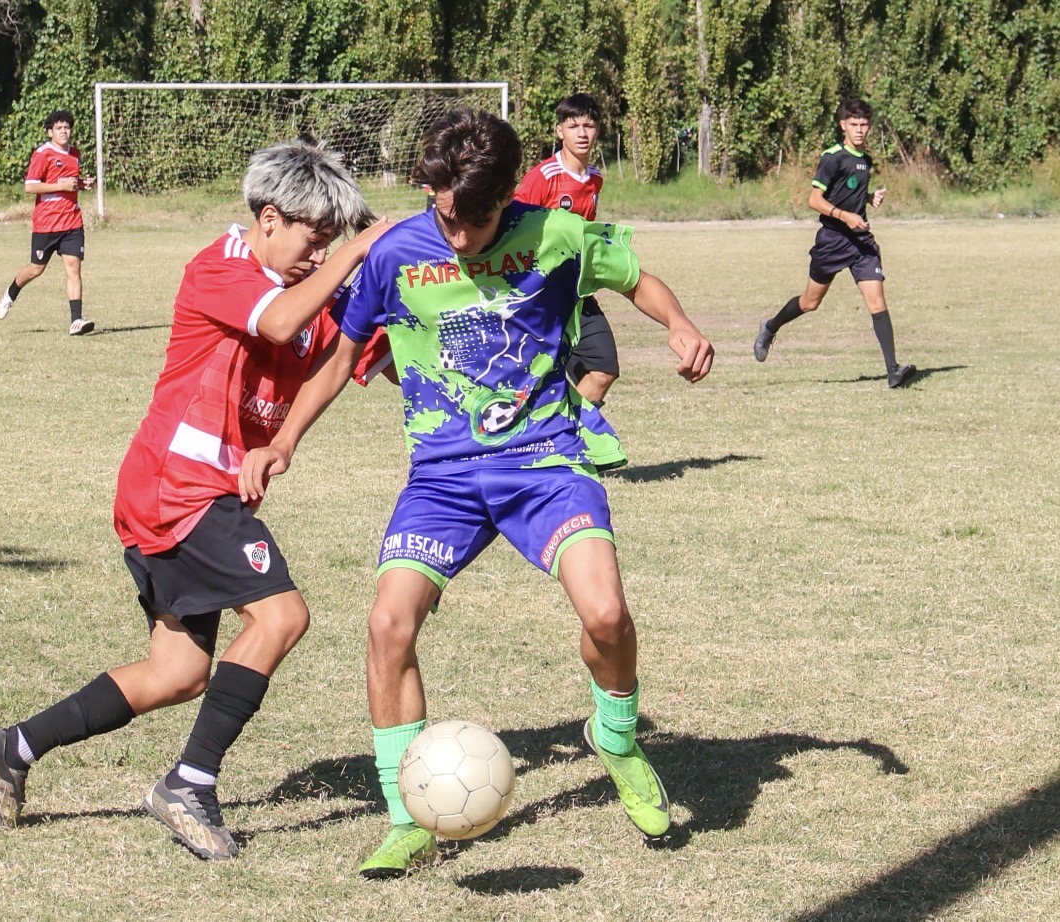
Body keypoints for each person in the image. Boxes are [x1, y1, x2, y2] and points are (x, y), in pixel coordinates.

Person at [240, 109, 715, 878]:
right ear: (430, 190)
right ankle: (405, 817)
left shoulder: (554, 232)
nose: (460, 237)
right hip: (444, 478)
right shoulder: (395, 253)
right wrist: (284, 442)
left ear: (507, 198)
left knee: (607, 613)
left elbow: (637, 278)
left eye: (479, 220)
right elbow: (343, 356)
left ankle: (617, 740)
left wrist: (680, 324)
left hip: (544, 461)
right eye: (447, 217)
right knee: (388, 624)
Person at [0, 139, 390, 860]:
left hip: (205, 495)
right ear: (268, 219)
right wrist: (357, 255)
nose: (321, 255)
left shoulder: (314, 283)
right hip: (175, 487)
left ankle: (10, 747)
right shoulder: (220, 266)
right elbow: (282, 323)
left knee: (179, 673)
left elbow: (355, 355)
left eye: (331, 243)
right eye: (313, 239)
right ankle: (190, 782)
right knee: (283, 615)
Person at [754, 98, 916, 388]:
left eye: (864, 125)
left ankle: (893, 371)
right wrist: (845, 216)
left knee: (877, 300)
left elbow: (848, 194)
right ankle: (771, 325)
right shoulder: (833, 157)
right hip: (832, 239)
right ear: (843, 125)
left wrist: (868, 199)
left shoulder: (865, 160)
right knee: (810, 302)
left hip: (861, 241)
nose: (859, 130)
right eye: (853, 124)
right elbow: (814, 200)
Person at [514, 93, 620, 407]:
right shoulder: (542, 177)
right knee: (533, 382)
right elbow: (513, 231)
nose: (582, 133)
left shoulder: (596, 179)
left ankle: (570, 439)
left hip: (575, 294)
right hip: (537, 298)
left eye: (589, 125)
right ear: (560, 131)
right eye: (574, 126)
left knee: (602, 371)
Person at [0, 109, 97, 336]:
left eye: (67, 128)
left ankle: (76, 320)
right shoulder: (42, 154)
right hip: (46, 224)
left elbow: (69, 183)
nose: (64, 131)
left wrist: (81, 184)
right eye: (59, 128)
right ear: (50, 132)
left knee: (74, 268)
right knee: (36, 269)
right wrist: (61, 186)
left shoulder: (75, 154)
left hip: (72, 221)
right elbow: (30, 186)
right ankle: (11, 293)